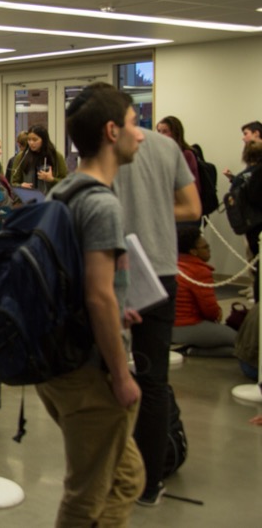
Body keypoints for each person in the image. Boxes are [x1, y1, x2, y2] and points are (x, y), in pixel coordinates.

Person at [38, 83, 146, 526]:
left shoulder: (62, 192)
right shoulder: (101, 203)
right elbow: (99, 295)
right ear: (110, 130)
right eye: (134, 124)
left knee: (126, 477)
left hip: (57, 360)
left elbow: (81, 284)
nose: (139, 135)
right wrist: (121, 375)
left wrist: (117, 305)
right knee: (86, 495)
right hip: (89, 370)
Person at [114, 114, 200, 507]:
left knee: (107, 370)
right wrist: (156, 210)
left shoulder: (106, 147)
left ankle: (118, 472)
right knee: (153, 378)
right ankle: (148, 485)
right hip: (162, 269)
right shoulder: (168, 149)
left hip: (116, 265)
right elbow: (192, 208)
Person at [173, 228, 236, 356]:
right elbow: (210, 310)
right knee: (243, 342)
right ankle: (193, 350)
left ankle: (191, 349)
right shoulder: (199, 271)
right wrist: (217, 313)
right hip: (188, 325)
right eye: (205, 247)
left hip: (169, 325)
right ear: (193, 251)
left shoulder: (174, 264)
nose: (209, 250)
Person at [232, 140, 262, 304]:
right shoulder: (257, 173)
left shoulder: (243, 176)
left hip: (251, 224)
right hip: (257, 224)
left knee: (255, 260)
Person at [11, 124, 67, 195]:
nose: (31, 143)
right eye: (29, 140)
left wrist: (52, 179)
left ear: (43, 140)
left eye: (35, 140)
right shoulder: (22, 156)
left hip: (50, 200)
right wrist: (20, 186)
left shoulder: (56, 156)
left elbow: (66, 183)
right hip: (28, 200)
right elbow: (13, 183)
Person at [156, 115, 200, 193]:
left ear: (175, 133)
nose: (160, 135)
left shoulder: (186, 155)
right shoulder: (159, 154)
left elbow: (191, 187)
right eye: (159, 131)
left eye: (165, 131)